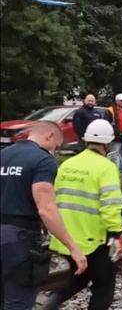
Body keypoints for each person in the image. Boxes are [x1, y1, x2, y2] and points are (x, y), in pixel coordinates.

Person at [1, 122, 87, 310]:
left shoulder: (3, 155)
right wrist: (73, 247)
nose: (55, 151)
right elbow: (46, 208)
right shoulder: (43, 160)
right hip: (19, 239)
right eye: (56, 146)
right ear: (49, 136)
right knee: (18, 302)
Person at [43, 119, 122, 310]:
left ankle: (52, 302)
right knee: (104, 284)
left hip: (66, 238)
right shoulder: (106, 167)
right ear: (107, 144)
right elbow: (111, 206)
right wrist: (115, 234)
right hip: (94, 240)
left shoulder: (67, 165)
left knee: (80, 276)